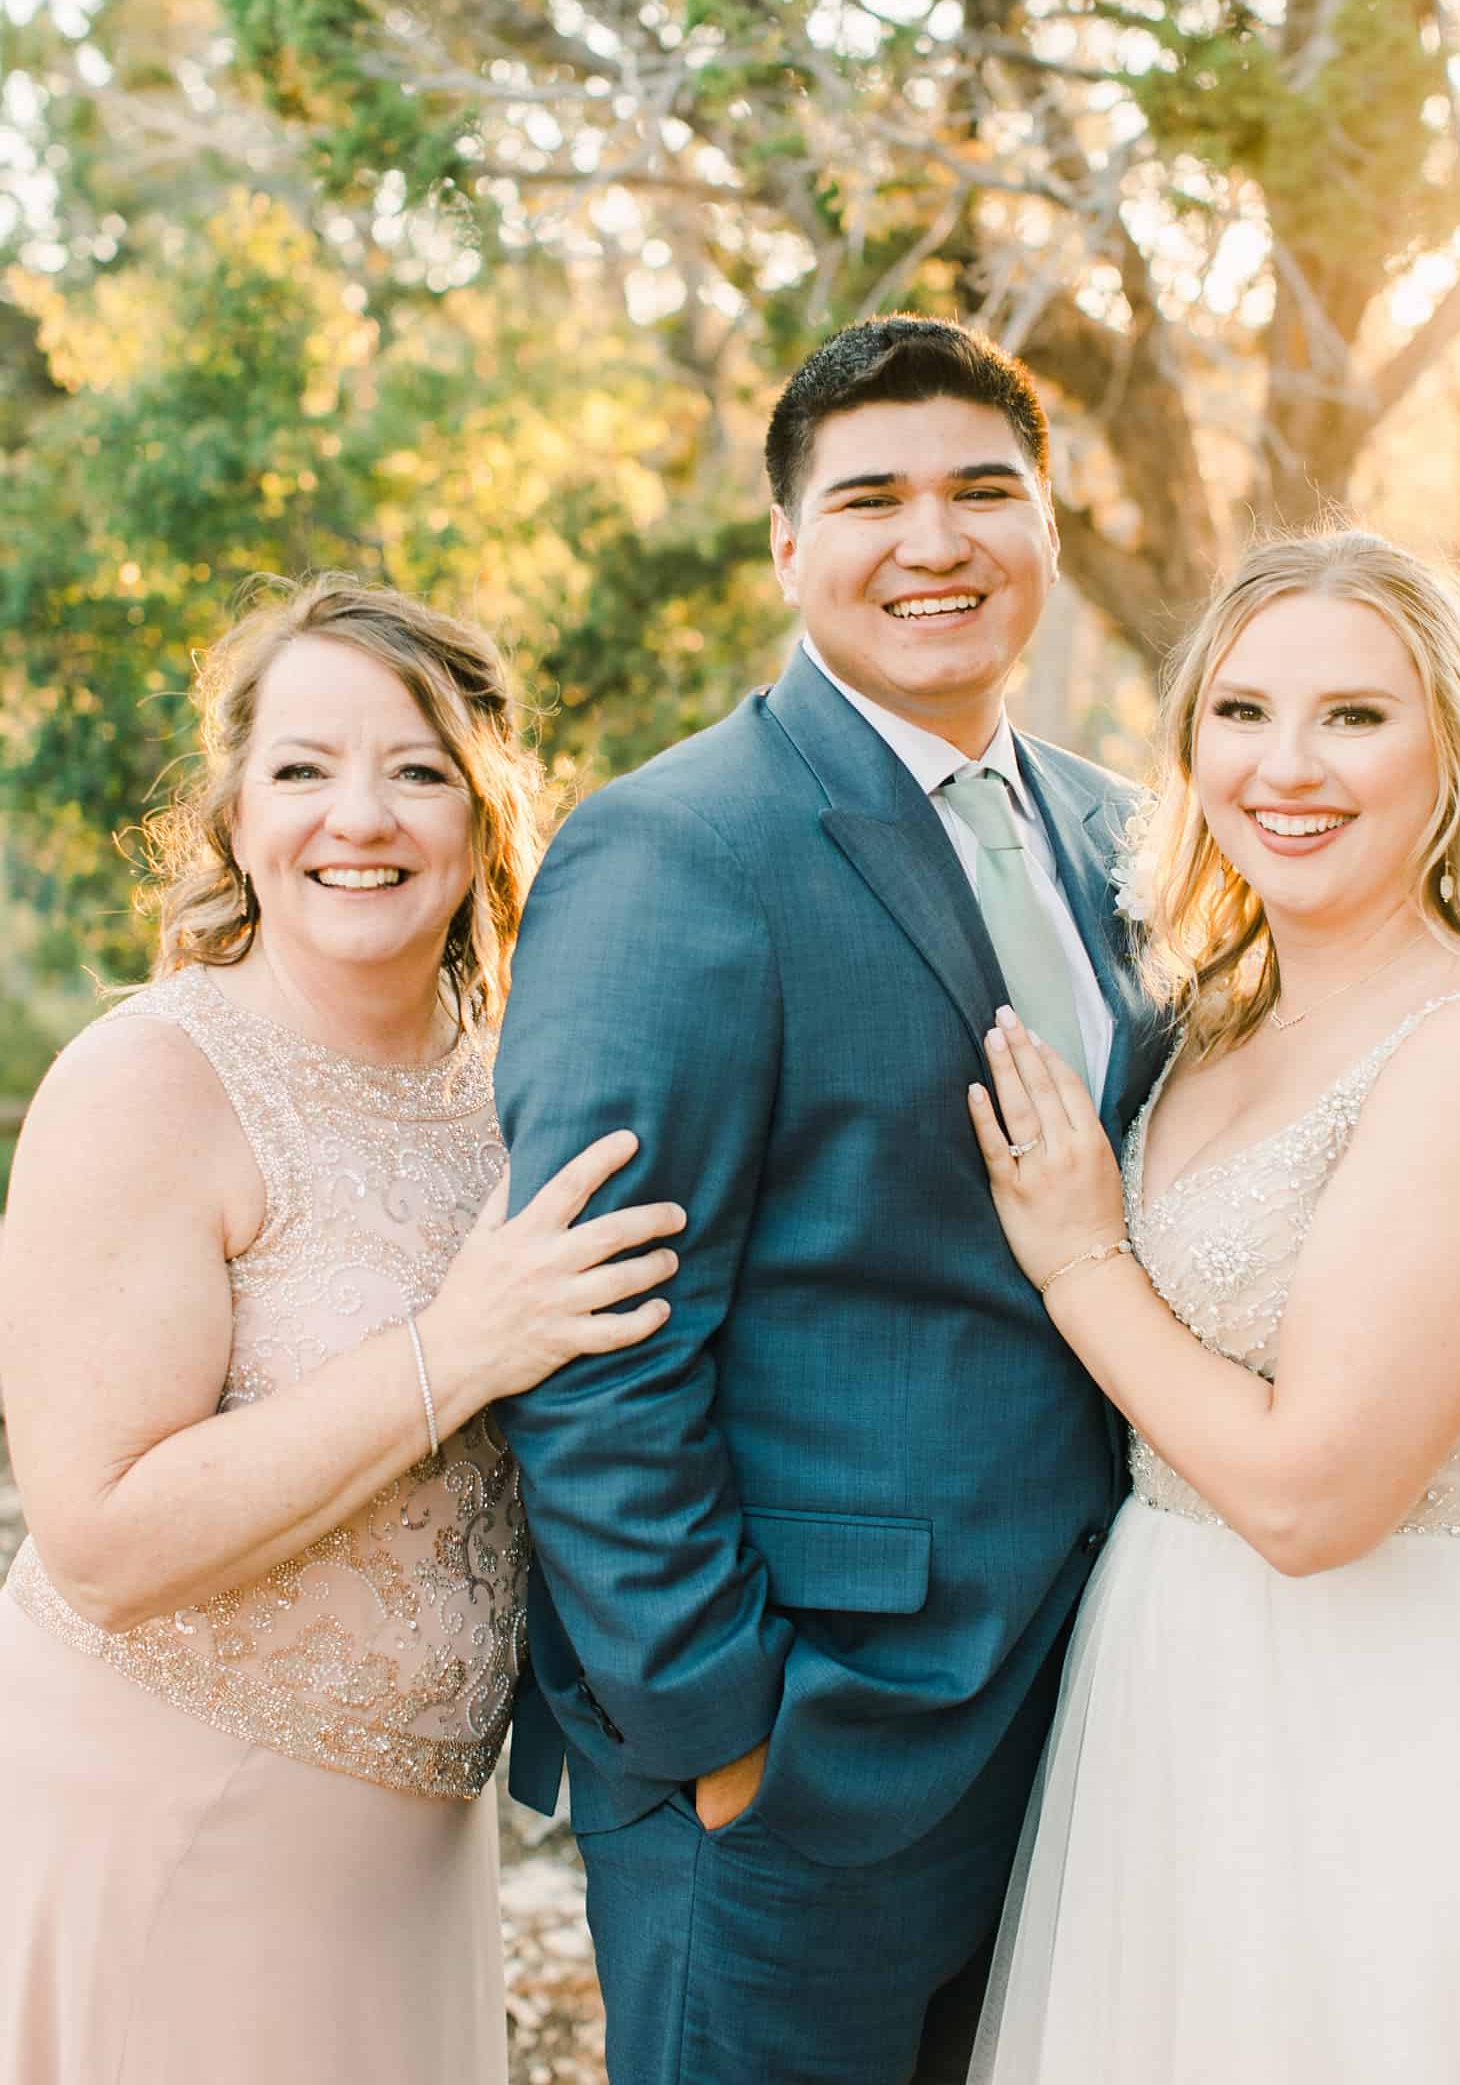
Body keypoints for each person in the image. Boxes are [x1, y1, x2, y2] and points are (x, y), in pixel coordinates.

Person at [492, 316, 1172, 2084]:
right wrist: (723, 1724)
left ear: (1047, 520)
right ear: (790, 546)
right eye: (870, 498)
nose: (931, 541)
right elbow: (594, 1345)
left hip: (1101, 1727)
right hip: (809, 1752)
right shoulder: (677, 849)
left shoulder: (1129, 837)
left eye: (981, 492)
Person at [0, 577, 684, 2085]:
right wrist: (456, 1350)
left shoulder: (520, 1080)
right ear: (236, 813)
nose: (357, 818)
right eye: (304, 770)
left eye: (416, 771)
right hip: (168, 1822)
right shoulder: (154, 1084)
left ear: (486, 810)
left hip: (409, 1868)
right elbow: (100, 1538)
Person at [966, 530, 1460, 2081]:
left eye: (1355, 717)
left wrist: (1078, 1261)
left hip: (1403, 1721)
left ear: (1446, 746)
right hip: (1178, 1701)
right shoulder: (1215, 1020)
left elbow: (1320, 1497)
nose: (1285, 767)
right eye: (1239, 713)